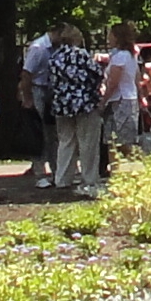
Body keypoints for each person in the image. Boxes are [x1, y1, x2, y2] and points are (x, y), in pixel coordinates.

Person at [47, 25, 104, 194]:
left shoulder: (54, 56)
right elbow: (97, 74)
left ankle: (62, 178)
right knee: (87, 143)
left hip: (62, 105)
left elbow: (52, 81)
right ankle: (89, 179)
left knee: (65, 141)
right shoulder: (81, 54)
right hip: (84, 103)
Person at [19, 22, 59, 186]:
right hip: (38, 90)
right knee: (38, 132)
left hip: (50, 91)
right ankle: (40, 174)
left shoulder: (56, 48)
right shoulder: (38, 48)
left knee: (52, 133)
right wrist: (28, 98)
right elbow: (26, 74)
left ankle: (56, 172)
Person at [101, 24, 141, 158]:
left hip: (119, 100)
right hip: (130, 98)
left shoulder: (120, 57)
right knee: (125, 139)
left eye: (111, 35)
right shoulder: (130, 55)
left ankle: (116, 165)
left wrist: (103, 101)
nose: (108, 38)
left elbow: (113, 82)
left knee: (114, 139)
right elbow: (137, 78)